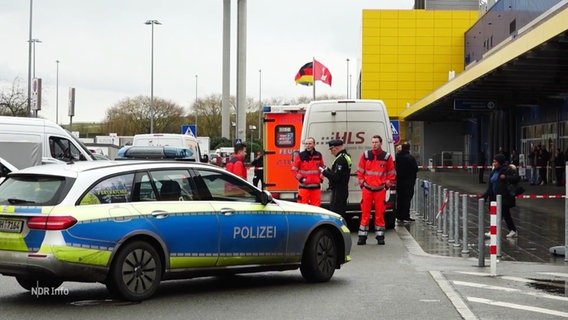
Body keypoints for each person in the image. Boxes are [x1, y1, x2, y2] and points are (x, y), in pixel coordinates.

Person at [356, 135, 396, 245]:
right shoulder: (366, 155)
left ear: (381, 143)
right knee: (365, 213)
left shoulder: (386, 157)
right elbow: (360, 171)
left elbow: (391, 174)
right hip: (367, 189)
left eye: (376, 142)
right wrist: (362, 184)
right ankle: (362, 237)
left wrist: (386, 186)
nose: (374, 144)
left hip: (379, 190)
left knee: (380, 214)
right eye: (373, 142)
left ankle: (380, 237)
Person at [481, 153, 520, 238]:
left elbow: (516, 178)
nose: (494, 164)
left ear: (500, 162)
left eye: (495, 162)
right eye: (493, 162)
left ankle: (493, 231)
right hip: (494, 197)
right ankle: (513, 230)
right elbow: (490, 187)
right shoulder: (493, 172)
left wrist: (506, 177)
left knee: (499, 215)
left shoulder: (507, 170)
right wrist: (484, 196)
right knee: (506, 215)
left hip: (504, 198)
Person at [321, 139, 352, 221]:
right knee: (341, 213)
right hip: (343, 189)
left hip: (338, 191)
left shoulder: (340, 159)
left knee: (336, 214)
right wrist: (328, 170)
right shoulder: (346, 156)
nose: (331, 152)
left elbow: (336, 177)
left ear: (335, 148)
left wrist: (324, 172)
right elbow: (339, 173)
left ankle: (339, 232)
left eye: (331, 149)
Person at [292, 137, 325, 206]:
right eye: (306, 144)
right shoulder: (300, 156)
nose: (308, 145)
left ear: (314, 144)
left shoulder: (318, 155)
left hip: (316, 187)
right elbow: (294, 170)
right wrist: (302, 179)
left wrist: (321, 178)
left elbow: (322, 168)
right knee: (302, 207)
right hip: (304, 187)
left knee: (316, 208)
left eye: (310, 144)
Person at [395, 142, 418, 223]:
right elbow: (415, 169)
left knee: (399, 198)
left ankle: (399, 215)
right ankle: (405, 215)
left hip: (399, 181)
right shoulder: (410, 158)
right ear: (409, 148)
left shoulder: (397, 157)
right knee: (407, 199)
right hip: (408, 182)